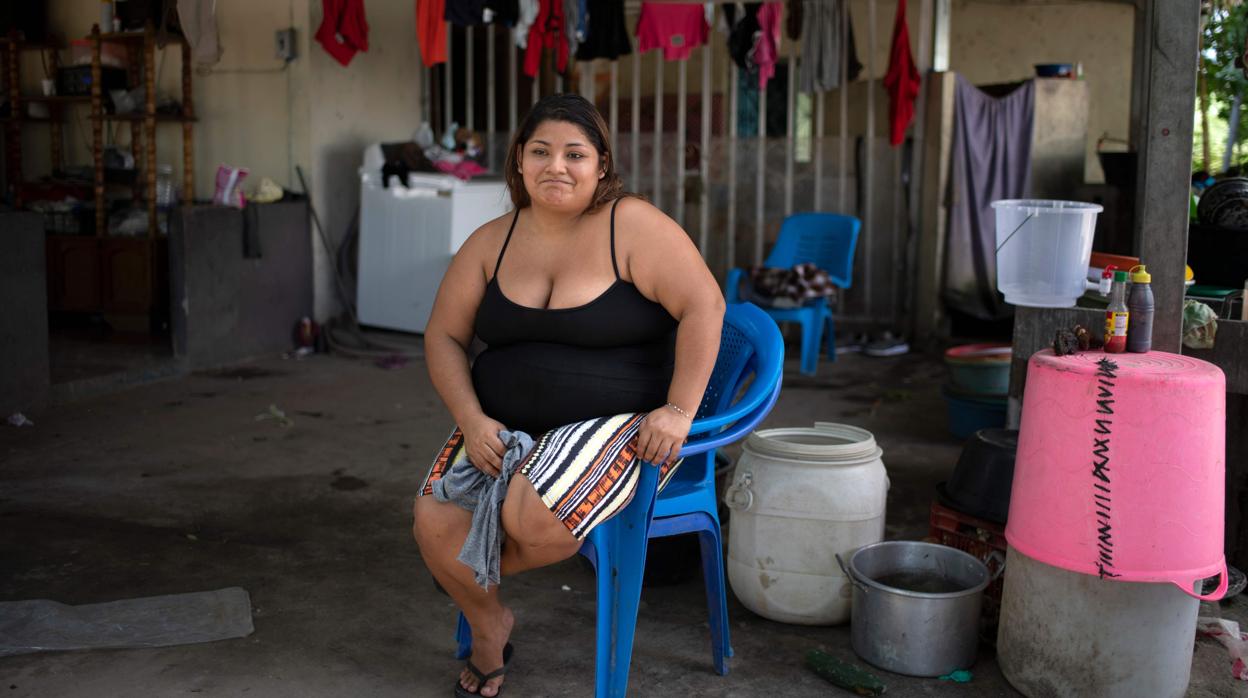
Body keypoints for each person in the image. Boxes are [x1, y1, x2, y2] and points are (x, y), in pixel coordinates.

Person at [412, 93, 725, 697]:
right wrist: (471, 419)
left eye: (575, 154)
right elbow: (443, 335)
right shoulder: (490, 241)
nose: (557, 166)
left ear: (601, 165)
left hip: (617, 422)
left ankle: (462, 575)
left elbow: (705, 305)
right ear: (519, 163)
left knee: (526, 515)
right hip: (500, 422)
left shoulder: (630, 225)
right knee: (431, 520)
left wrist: (680, 409)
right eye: (541, 152)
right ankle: (490, 622)